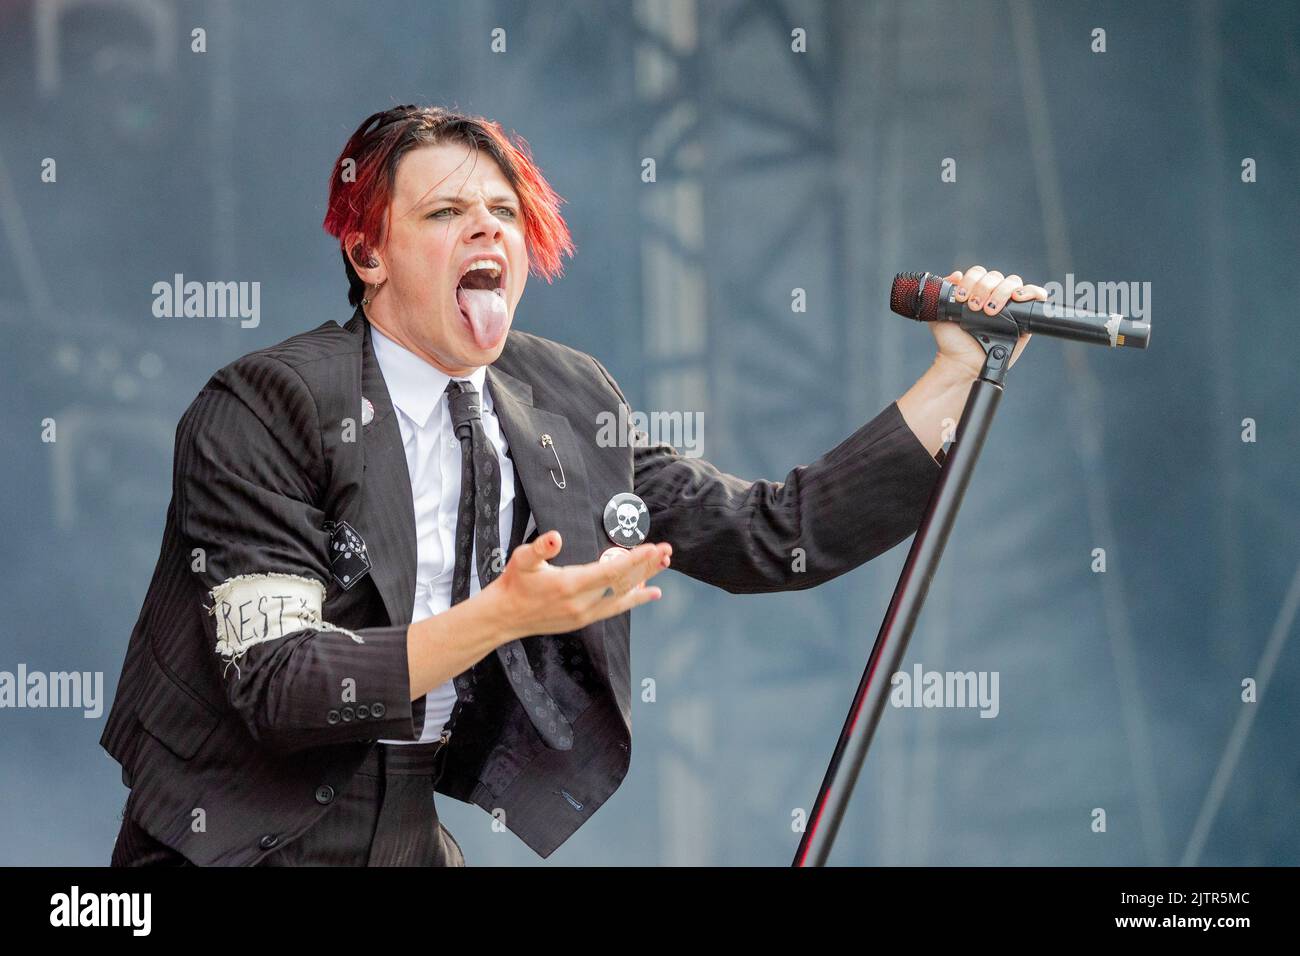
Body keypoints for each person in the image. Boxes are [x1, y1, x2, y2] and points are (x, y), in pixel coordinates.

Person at [100, 104, 1044, 866]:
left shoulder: (565, 396)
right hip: (230, 837)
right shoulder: (269, 403)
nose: (488, 231)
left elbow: (776, 534)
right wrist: (503, 616)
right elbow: (280, 686)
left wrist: (955, 373)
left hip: (406, 825)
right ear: (368, 254)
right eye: (444, 214)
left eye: (505, 214)